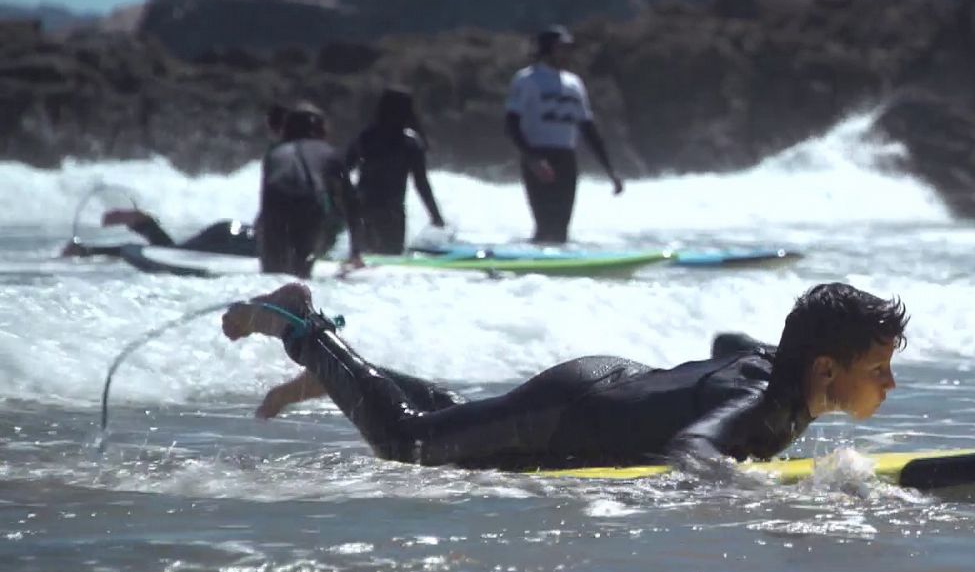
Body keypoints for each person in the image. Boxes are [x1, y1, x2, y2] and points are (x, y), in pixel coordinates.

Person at [220, 281, 905, 471]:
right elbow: (692, 447)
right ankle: (303, 326)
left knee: (461, 417)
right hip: (575, 408)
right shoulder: (764, 406)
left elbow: (729, 343)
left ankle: (344, 377)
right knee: (409, 442)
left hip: (612, 382)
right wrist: (740, 498)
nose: (889, 385)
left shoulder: (778, 368)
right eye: (878, 369)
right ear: (825, 367)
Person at [504, 25, 624, 243]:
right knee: (544, 224)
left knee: (561, 226)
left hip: (566, 158)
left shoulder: (574, 83)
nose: (567, 53)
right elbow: (511, 124)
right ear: (546, 49)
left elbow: (588, 128)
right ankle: (534, 259)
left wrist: (610, 170)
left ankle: (560, 263)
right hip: (539, 156)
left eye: (569, 48)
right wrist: (532, 158)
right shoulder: (526, 80)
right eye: (562, 48)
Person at [257, 102, 364, 278]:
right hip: (309, 206)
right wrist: (356, 252)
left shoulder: (274, 154)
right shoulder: (329, 154)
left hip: (275, 207)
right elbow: (352, 204)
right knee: (300, 274)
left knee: (272, 275)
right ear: (320, 128)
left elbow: (265, 201)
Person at [345, 87, 446, 254]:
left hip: (364, 207)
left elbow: (343, 170)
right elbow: (421, 183)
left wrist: (346, 201)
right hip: (392, 211)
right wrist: (435, 215)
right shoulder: (410, 142)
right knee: (390, 256)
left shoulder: (366, 137)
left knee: (365, 256)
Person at [61, 208, 255, 258]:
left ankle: (87, 251)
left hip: (232, 230)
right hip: (234, 236)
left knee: (172, 253)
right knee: (171, 254)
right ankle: (145, 224)